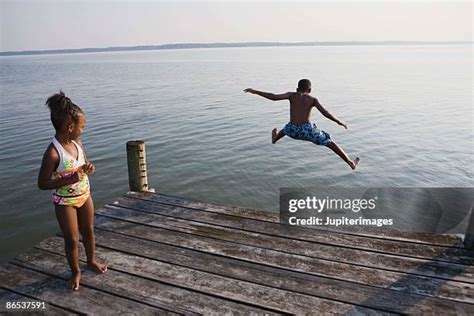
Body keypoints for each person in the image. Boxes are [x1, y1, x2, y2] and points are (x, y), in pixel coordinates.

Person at [38, 91, 107, 291]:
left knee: (89, 230)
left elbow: (82, 162)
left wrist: (87, 167)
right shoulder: (52, 153)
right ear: (70, 127)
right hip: (64, 201)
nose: (83, 130)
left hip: (84, 195)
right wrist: (68, 179)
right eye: (82, 127)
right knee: (71, 238)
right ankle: (76, 272)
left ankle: (91, 261)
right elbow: (42, 183)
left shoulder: (77, 143)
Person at [244, 79, 360, 170]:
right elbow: (325, 113)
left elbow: (274, 97)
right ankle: (350, 163)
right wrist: (339, 122)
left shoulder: (291, 95)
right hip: (307, 131)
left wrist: (254, 91)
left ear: (296, 88)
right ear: (310, 90)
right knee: (330, 142)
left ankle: (275, 139)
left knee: (286, 128)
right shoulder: (312, 99)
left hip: (292, 130)